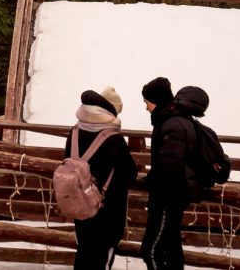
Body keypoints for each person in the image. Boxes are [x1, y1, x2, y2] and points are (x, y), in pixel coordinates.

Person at [139, 76, 216, 270]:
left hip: (167, 200)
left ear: (156, 101)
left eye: (146, 102)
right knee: (171, 249)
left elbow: (170, 167)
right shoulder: (173, 121)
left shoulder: (172, 124)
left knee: (151, 251)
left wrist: (154, 185)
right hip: (172, 199)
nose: (146, 107)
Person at [67, 87, 137, 270]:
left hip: (80, 208)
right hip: (107, 213)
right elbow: (131, 174)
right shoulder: (114, 140)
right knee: (101, 259)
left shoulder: (73, 133)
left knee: (83, 254)